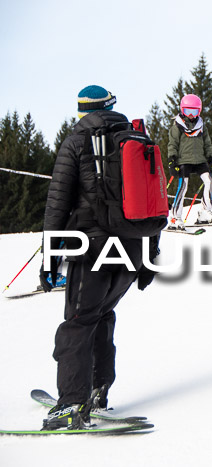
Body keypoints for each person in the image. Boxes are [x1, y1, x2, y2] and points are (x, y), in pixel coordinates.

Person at [39, 85, 160, 430]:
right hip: (133, 248)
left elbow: (57, 207)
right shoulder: (135, 140)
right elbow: (154, 201)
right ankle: (97, 393)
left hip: (91, 249)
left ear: (82, 112)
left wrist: (49, 261)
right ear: (111, 107)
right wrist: (151, 254)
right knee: (102, 316)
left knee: (77, 323)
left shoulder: (76, 142)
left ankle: (72, 405)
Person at [167, 94, 212, 228]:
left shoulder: (201, 126)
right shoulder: (177, 126)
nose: (191, 115)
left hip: (200, 160)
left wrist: (211, 158)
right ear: (182, 110)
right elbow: (172, 144)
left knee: (208, 181)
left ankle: (205, 211)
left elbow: (207, 143)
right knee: (183, 187)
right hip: (184, 161)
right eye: (187, 111)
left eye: (194, 111)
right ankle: (175, 217)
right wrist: (172, 160)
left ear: (199, 111)